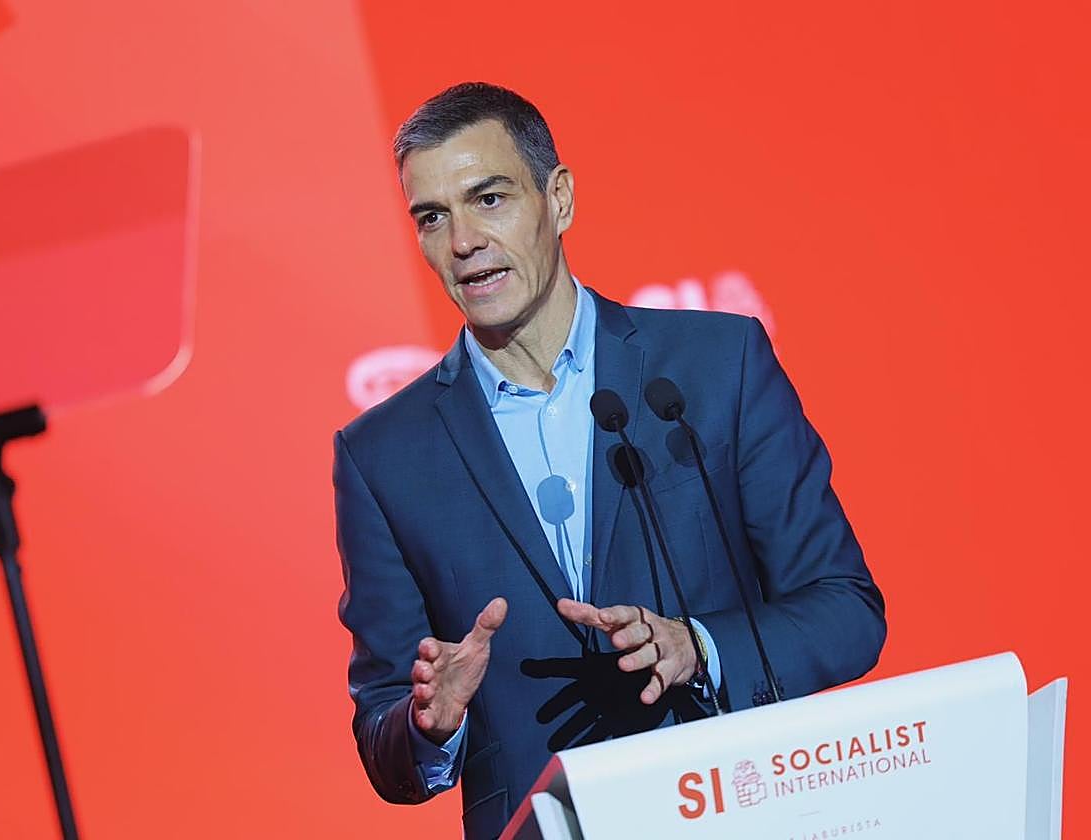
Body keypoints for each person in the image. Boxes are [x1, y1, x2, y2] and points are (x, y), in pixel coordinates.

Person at [333, 82, 885, 840]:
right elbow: (386, 737)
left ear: (558, 199)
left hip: (740, 812)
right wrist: (431, 724)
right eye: (433, 217)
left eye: (488, 199)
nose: (462, 241)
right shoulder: (383, 458)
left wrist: (701, 646)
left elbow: (845, 610)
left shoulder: (716, 369)